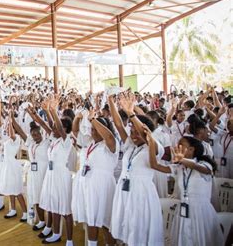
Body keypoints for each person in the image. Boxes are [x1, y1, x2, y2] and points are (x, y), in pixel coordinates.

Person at [146, 132, 223, 246]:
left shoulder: (205, 164)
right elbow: (155, 166)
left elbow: (202, 169)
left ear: (191, 149)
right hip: (183, 211)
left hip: (201, 213)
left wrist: (182, 160)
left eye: (181, 145)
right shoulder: (180, 167)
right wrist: (151, 144)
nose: (177, 146)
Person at [110, 92, 164, 246]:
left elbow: (143, 131)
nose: (133, 135)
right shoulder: (131, 145)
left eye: (137, 132)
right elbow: (119, 124)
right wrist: (111, 102)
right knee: (125, 228)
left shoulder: (154, 146)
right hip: (125, 190)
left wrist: (131, 113)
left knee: (138, 230)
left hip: (141, 193)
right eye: (132, 132)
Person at [72, 109, 117, 246]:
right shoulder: (90, 143)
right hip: (88, 186)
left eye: (96, 129)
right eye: (92, 129)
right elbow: (75, 132)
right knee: (91, 218)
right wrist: (77, 118)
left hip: (103, 186)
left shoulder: (110, 145)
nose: (93, 132)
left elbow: (109, 137)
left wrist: (93, 120)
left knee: (106, 220)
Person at [38, 96, 74, 246]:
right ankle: (56, 233)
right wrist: (46, 110)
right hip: (51, 175)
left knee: (65, 208)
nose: (54, 129)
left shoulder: (67, 140)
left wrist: (53, 109)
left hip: (62, 175)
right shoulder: (54, 139)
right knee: (54, 206)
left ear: (64, 129)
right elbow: (51, 125)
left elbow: (57, 125)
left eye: (59, 127)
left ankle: (70, 240)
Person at [13, 107, 50, 231]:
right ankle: (42, 221)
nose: (35, 136)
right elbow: (20, 131)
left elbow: (46, 126)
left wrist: (33, 114)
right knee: (36, 198)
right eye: (33, 134)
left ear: (41, 133)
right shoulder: (30, 142)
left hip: (44, 173)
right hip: (33, 174)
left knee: (45, 199)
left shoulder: (46, 143)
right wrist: (11, 118)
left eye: (37, 133)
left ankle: (49, 225)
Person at [0, 112, 27, 222]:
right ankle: (13, 209)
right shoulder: (7, 140)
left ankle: (25, 212)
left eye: (9, 127)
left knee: (17, 190)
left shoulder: (16, 138)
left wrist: (10, 120)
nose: (7, 129)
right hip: (6, 165)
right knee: (10, 188)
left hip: (12, 166)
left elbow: (12, 134)